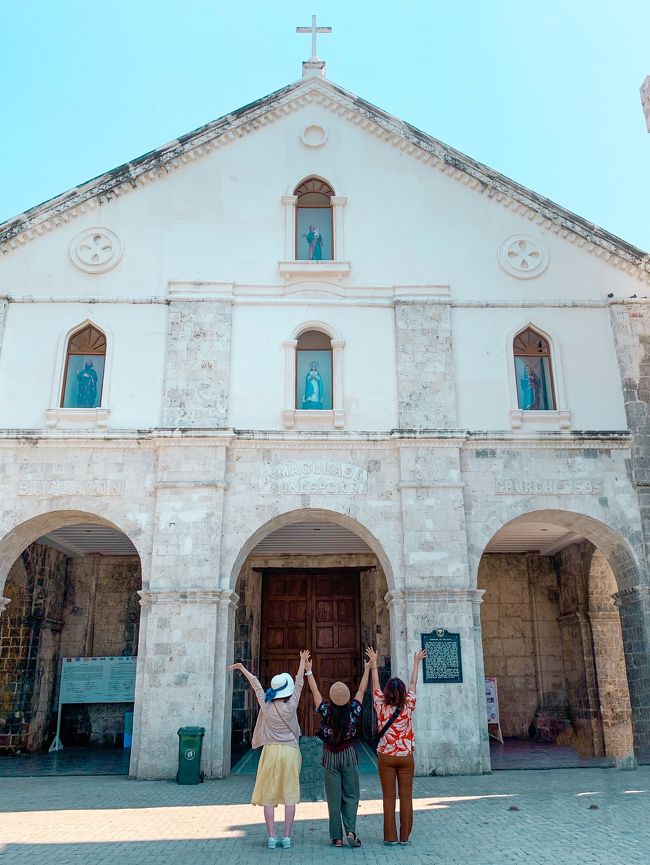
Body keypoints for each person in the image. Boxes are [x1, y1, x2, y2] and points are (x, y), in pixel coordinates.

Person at [227, 650, 309, 849]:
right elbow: (299, 683)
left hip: (270, 752)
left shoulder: (266, 704)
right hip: (290, 752)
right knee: (290, 795)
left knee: (269, 796)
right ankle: (287, 837)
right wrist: (302, 662)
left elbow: (255, 683)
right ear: (287, 691)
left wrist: (241, 668)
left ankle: (272, 837)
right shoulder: (291, 706)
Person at [304, 650, 372, 847]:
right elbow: (361, 691)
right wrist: (367, 669)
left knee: (334, 798)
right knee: (351, 794)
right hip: (349, 754)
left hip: (330, 756)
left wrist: (309, 671)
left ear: (332, 698)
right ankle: (351, 829)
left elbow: (315, 693)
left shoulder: (326, 710)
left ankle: (337, 838)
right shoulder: (353, 711)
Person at [367, 646, 427, 846]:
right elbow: (412, 683)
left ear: (386, 693)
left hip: (385, 756)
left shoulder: (380, 705)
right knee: (406, 797)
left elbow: (375, 683)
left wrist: (374, 663)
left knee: (388, 798)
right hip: (405, 756)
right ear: (402, 693)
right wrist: (417, 662)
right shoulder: (408, 704)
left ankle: (390, 837)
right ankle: (404, 837)